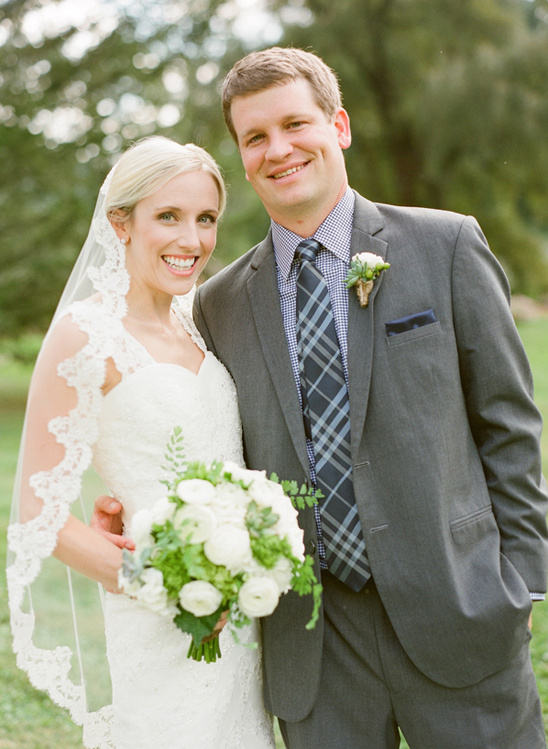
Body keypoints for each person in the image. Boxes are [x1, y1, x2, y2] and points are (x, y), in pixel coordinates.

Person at [92, 48, 548, 747]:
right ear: (243, 158)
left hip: (461, 612)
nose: (279, 149)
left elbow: (509, 425)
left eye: (294, 123)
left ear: (338, 125)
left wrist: (521, 584)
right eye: (255, 137)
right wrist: (136, 511)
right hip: (314, 645)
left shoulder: (445, 245)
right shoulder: (217, 305)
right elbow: (212, 445)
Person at [6, 136, 275, 749]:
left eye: (205, 218)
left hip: (238, 622)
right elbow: (37, 511)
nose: (192, 241)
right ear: (119, 223)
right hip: (159, 617)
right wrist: (163, 583)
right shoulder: (85, 335)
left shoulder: (197, 324)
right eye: (169, 217)